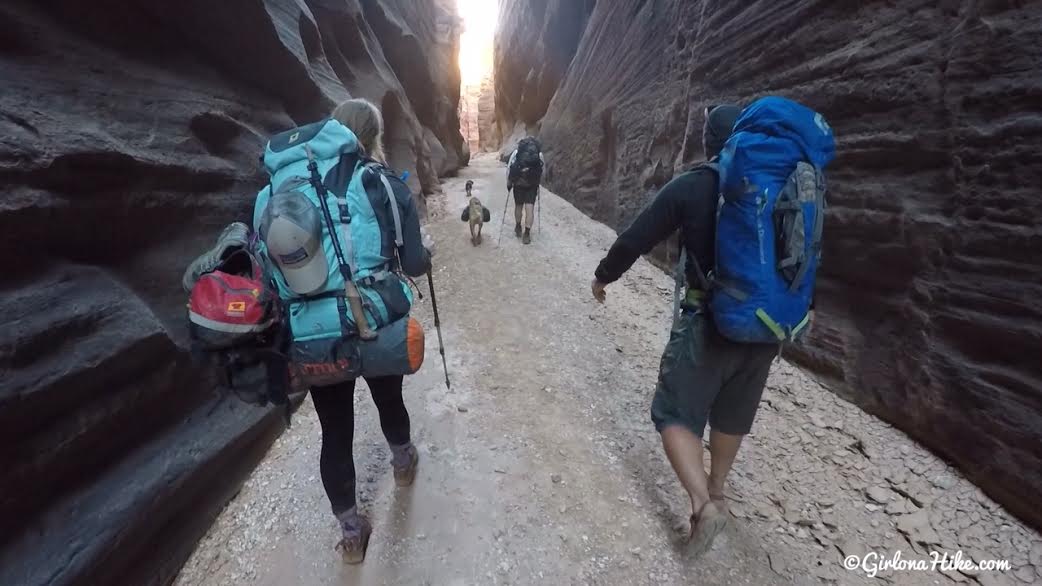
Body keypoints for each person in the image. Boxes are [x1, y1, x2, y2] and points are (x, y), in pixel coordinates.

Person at [590, 105, 783, 556]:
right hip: (767, 329)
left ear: (708, 141)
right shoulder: (779, 186)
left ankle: (703, 506)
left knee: (673, 411)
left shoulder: (695, 185)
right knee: (732, 413)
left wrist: (602, 276)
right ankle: (717, 490)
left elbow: (636, 237)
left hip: (710, 323)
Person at [311, 98, 434, 562]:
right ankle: (403, 463)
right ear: (372, 137)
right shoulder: (383, 182)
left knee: (334, 431)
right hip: (375, 317)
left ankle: (350, 536)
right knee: (388, 397)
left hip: (316, 327)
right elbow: (416, 262)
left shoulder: (295, 187)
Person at [506, 138, 544, 245]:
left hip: (518, 183)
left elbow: (509, 168)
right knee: (529, 208)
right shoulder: (539, 154)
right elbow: (542, 169)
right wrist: (537, 181)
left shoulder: (516, 152)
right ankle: (527, 234)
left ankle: (518, 226)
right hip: (532, 184)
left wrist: (509, 183)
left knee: (518, 206)